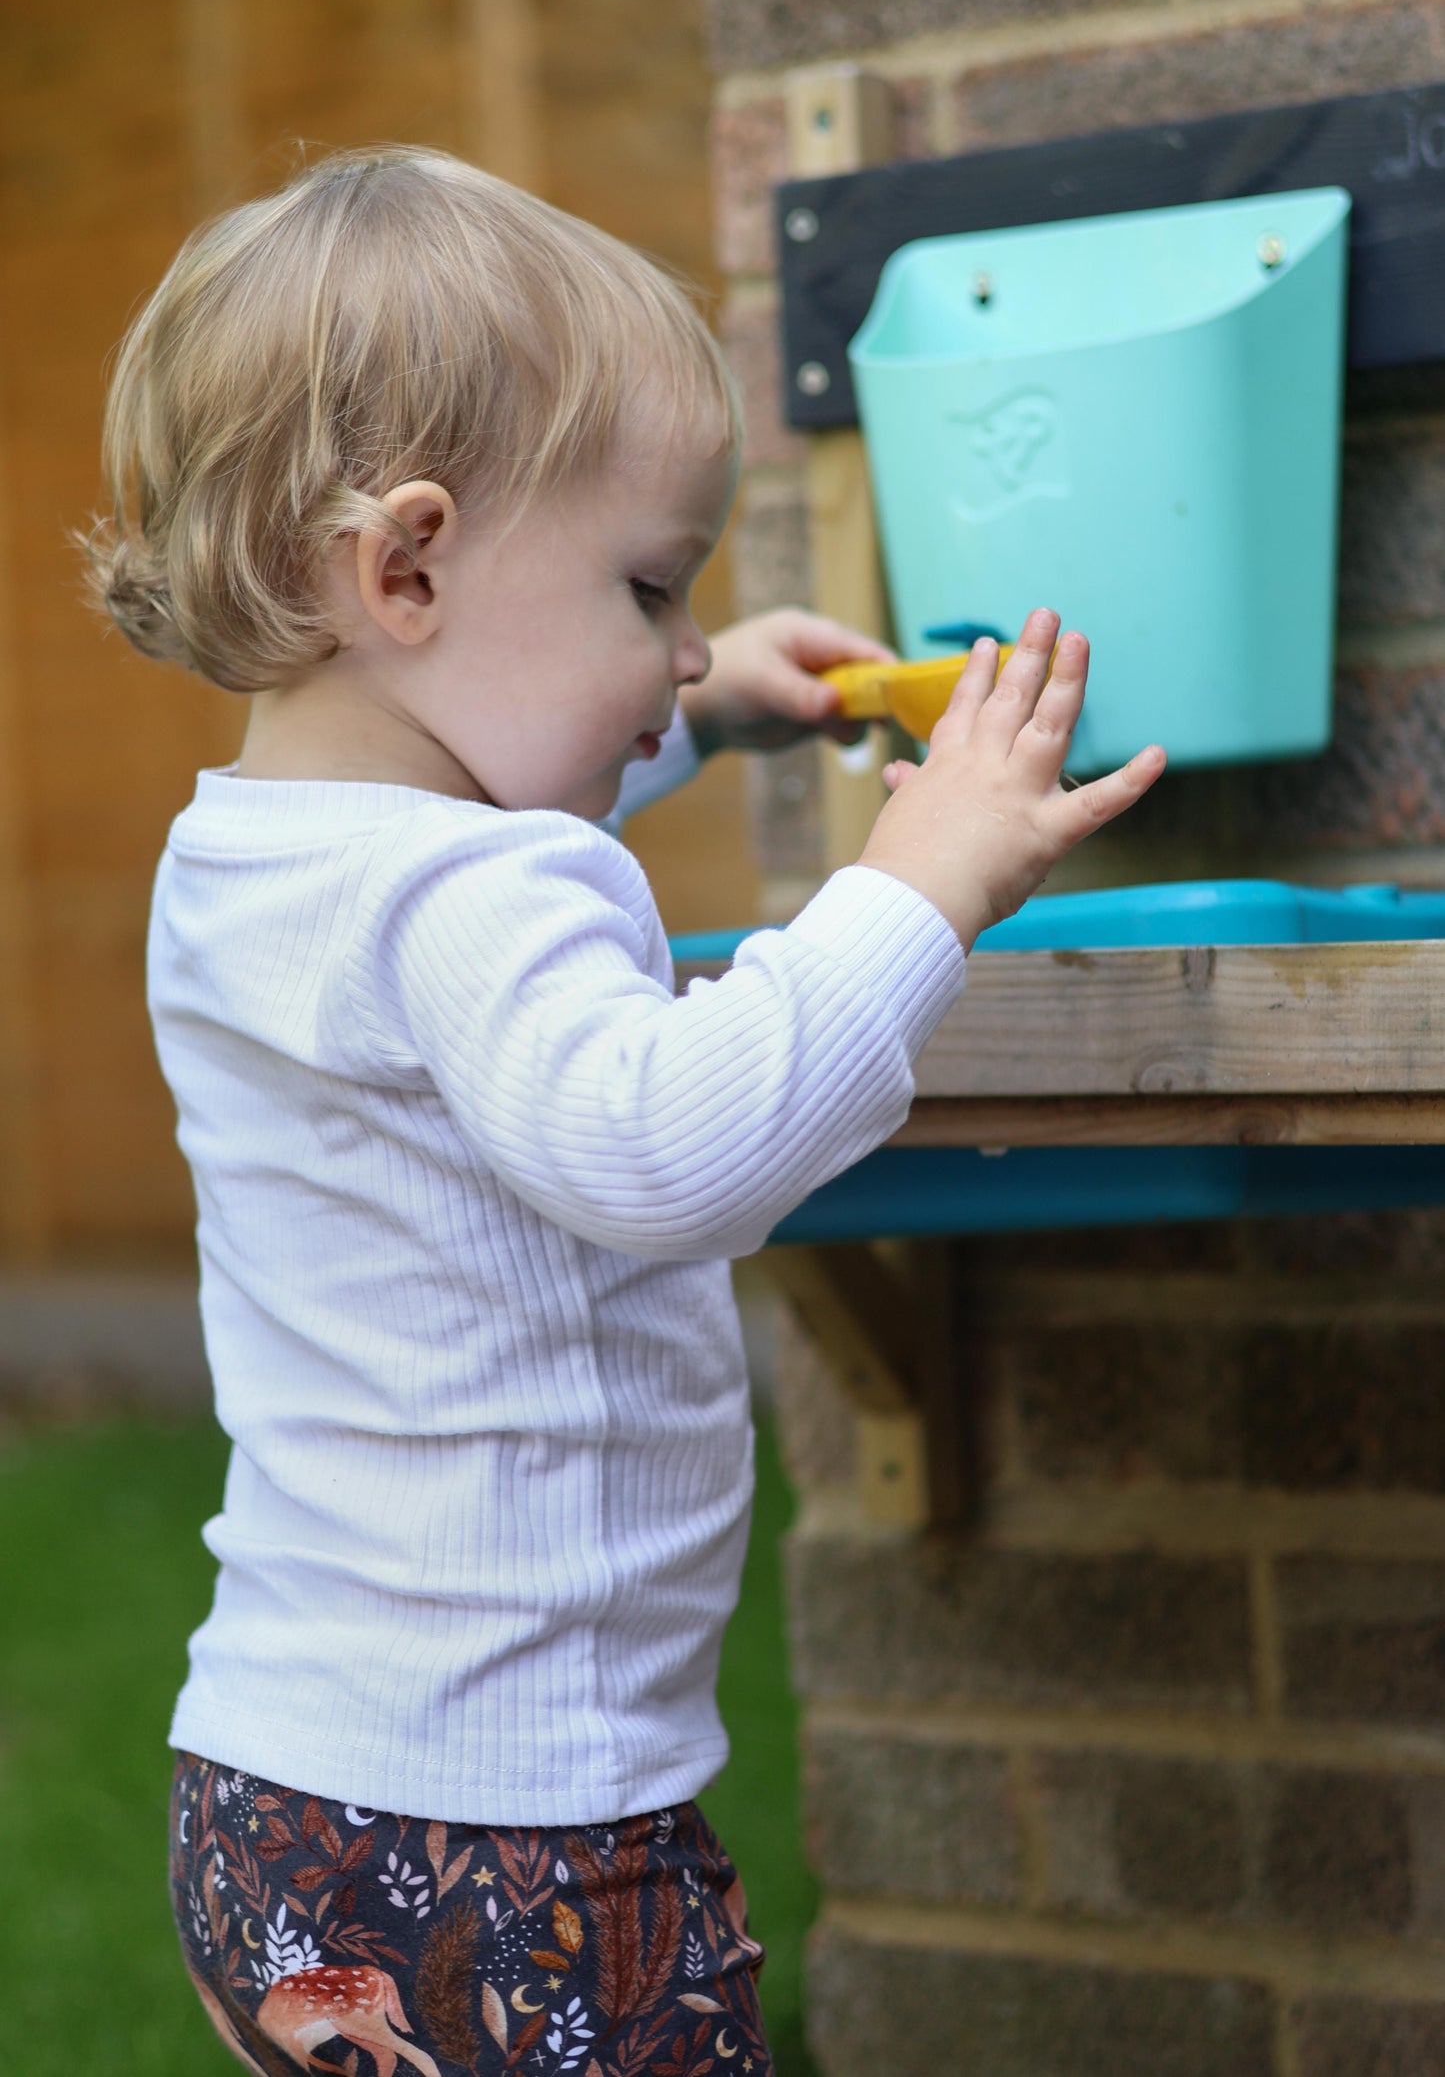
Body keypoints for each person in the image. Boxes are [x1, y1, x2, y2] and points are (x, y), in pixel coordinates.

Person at [91, 145, 1165, 2077]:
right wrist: (920, 878)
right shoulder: (476, 897)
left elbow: (463, 844)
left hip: (276, 1812)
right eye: (651, 588)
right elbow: (674, 1145)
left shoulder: (247, 859)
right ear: (403, 569)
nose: (676, 641)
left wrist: (709, 709)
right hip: (499, 1843)